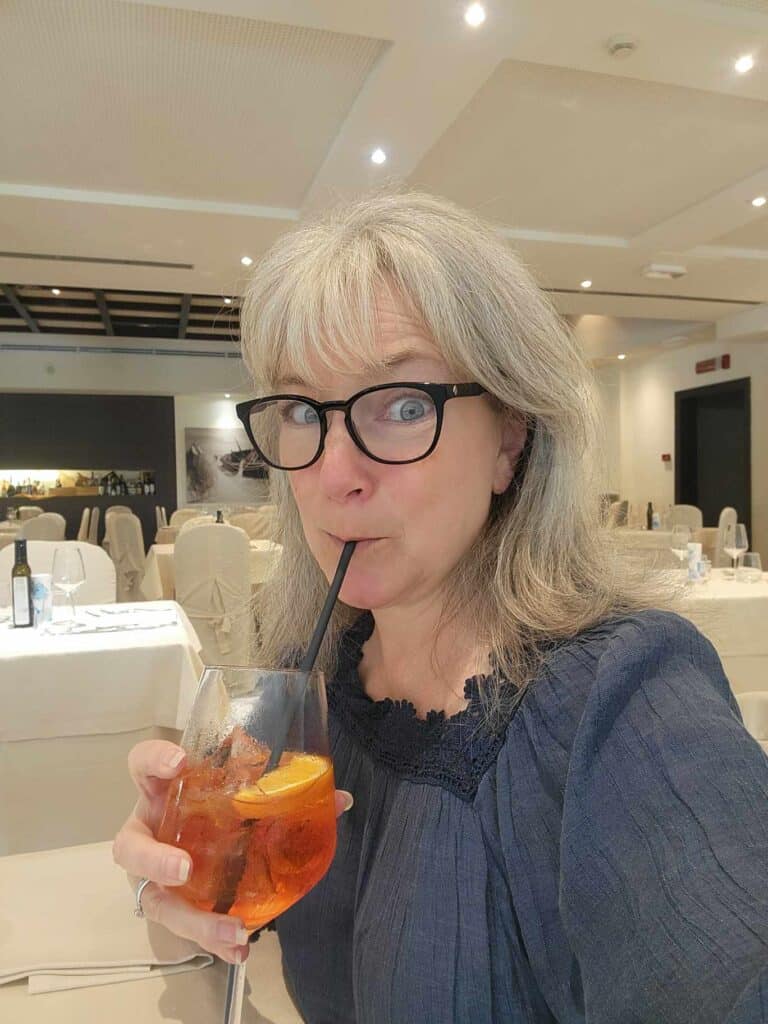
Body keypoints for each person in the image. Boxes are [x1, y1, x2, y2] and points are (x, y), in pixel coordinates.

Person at [113, 192, 768, 1023]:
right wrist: (178, 886)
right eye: (303, 410)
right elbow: (237, 956)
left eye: (403, 405)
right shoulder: (312, 685)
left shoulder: (623, 698)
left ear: (510, 438)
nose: (335, 473)